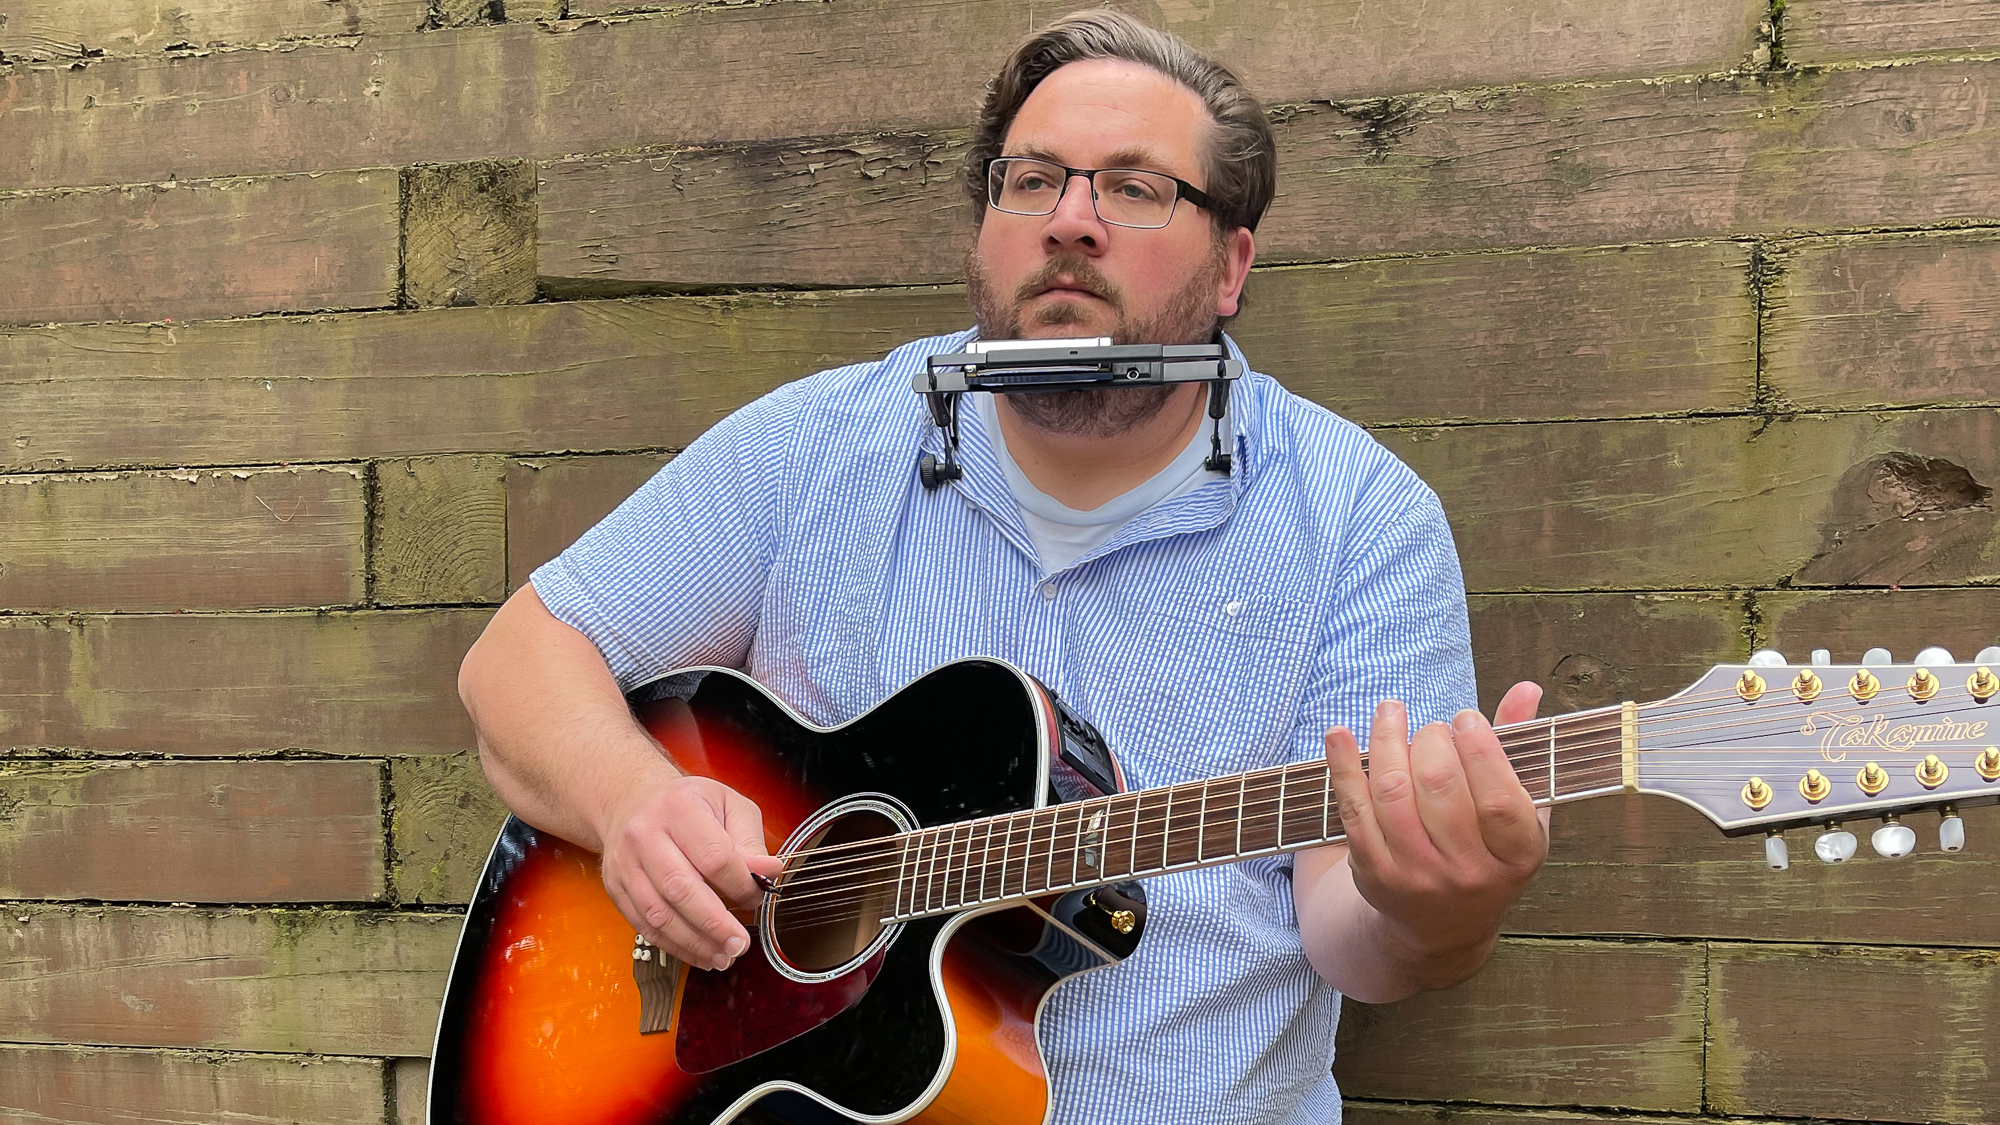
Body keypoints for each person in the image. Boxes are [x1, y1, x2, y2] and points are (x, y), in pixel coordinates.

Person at [458, 10, 1548, 1123]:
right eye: (1031, 181)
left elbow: (1351, 936)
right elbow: (518, 663)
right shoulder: (815, 447)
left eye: (1134, 188)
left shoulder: (1361, 520)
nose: (1070, 220)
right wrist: (634, 803)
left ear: (1230, 267)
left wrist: (1437, 911)